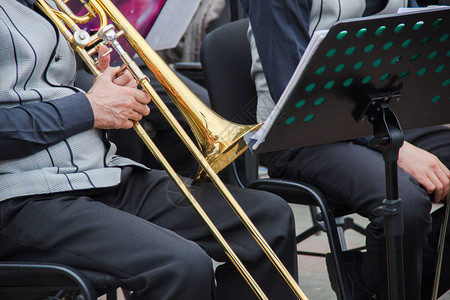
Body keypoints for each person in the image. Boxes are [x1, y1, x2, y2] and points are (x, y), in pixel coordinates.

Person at [0, 1, 300, 299]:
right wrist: (88, 107)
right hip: (20, 195)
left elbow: (39, 89)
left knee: (269, 219)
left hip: (97, 172)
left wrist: (102, 87)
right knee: (181, 265)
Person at [239, 0, 450, 299]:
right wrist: (397, 147)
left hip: (385, 113)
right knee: (404, 203)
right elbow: (293, 93)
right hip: (298, 134)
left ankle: (371, 285)